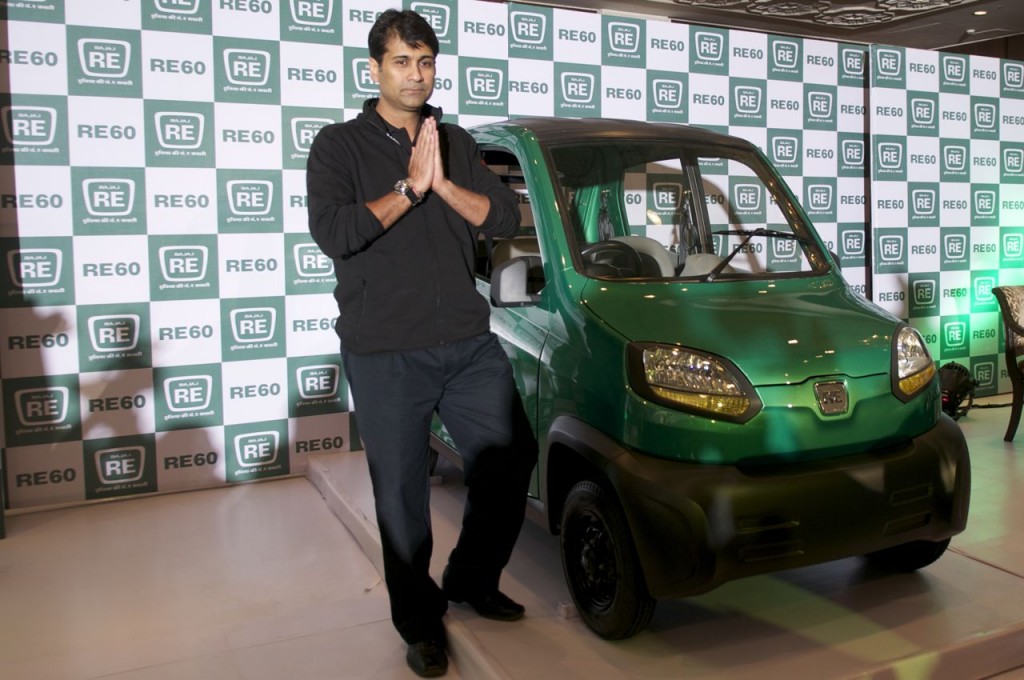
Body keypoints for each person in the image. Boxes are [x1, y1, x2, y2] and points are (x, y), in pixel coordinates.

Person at [305, 9, 538, 678]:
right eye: (402, 61)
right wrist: (410, 187)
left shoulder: (456, 142)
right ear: (374, 68)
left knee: (510, 457)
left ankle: (469, 578)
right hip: (385, 352)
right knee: (401, 497)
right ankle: (420, 619)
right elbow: (337, 233)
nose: (416, 73)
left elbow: (503, 215)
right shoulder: (338, 146)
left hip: (467, 342)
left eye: (426, 60)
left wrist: (442, 184)